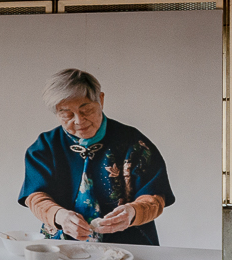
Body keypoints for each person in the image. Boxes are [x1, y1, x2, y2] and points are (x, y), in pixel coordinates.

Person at [19, 68, 172, 245]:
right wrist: (59, 215)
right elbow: (35, 196)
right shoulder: (45, 146)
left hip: (129, 244)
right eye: (67, 114)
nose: (79, 121)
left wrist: (133, 212)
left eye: (86, 110)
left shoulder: (134, 143)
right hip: (63, 243)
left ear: (101, 100)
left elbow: (155, 197)